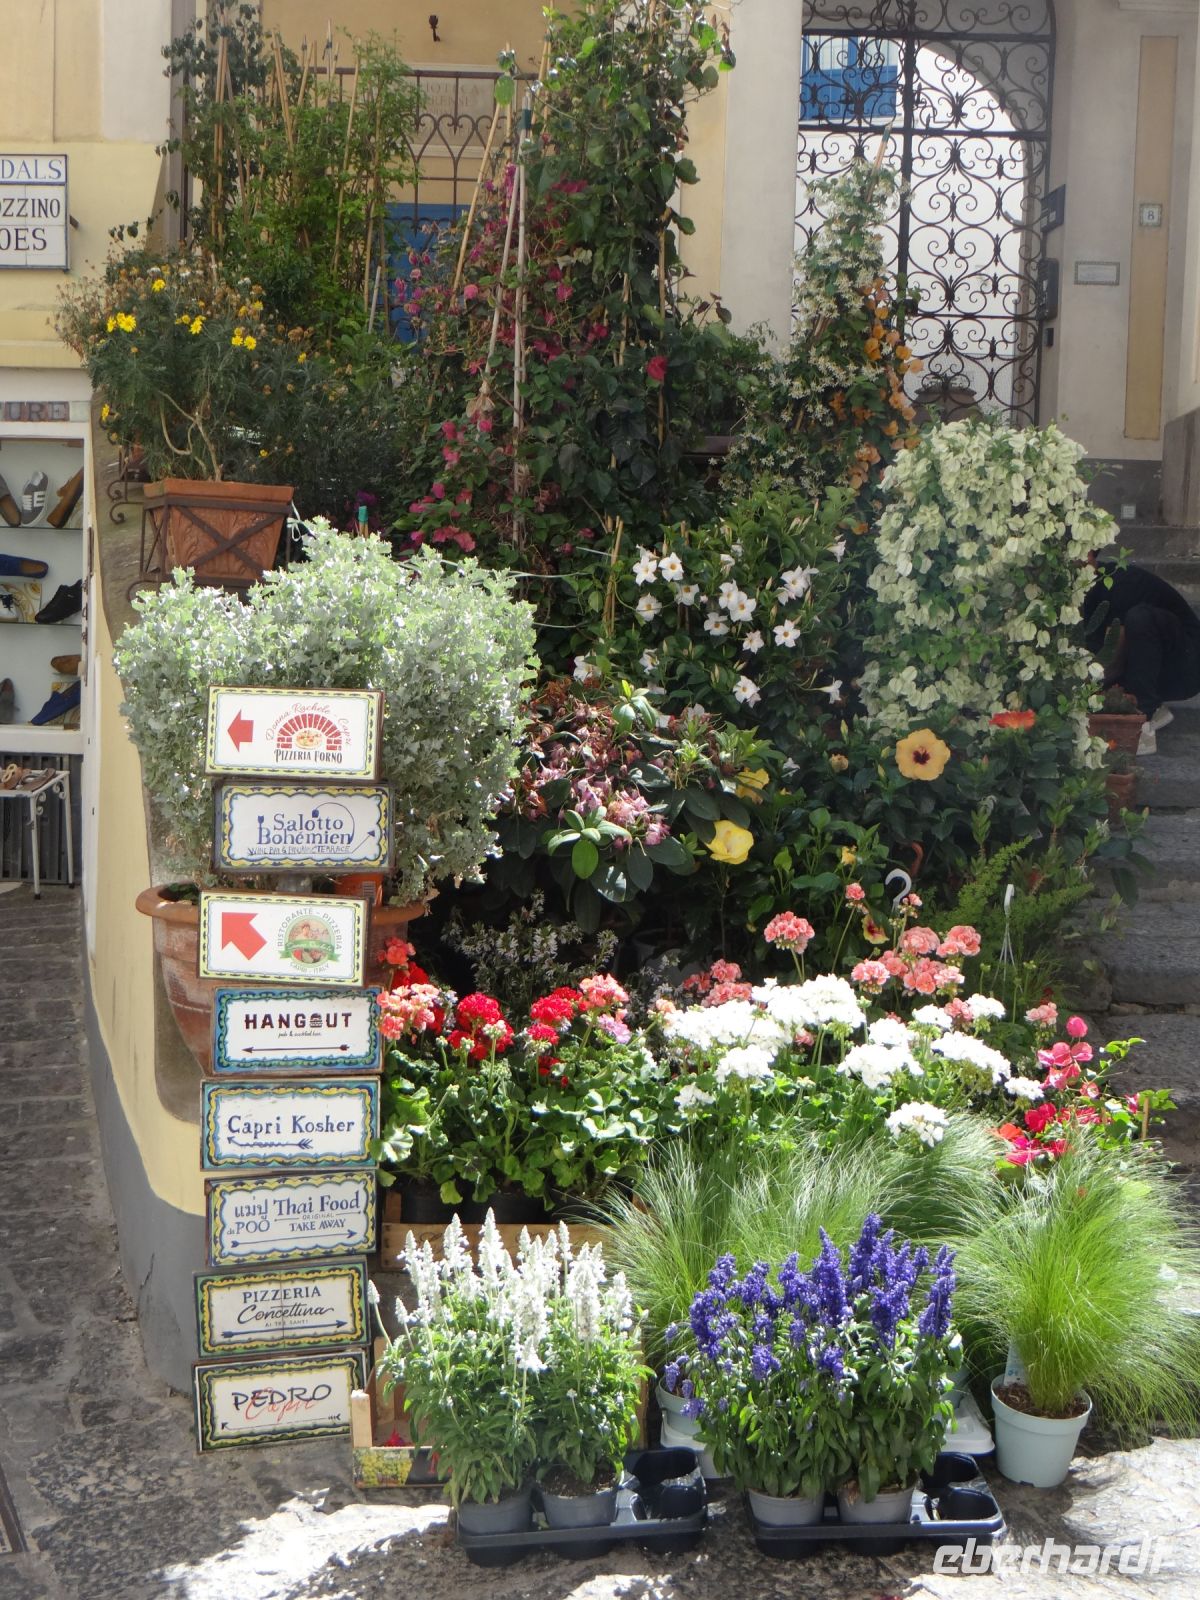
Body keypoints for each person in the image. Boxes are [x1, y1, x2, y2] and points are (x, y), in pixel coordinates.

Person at [1083, 557, 1200, 754]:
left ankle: (1143, 719)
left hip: (1186, 665)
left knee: (1139, 619)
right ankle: (1149, 703)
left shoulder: (1120, 584)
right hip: (1152, 662)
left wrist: (1081, 694)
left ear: (1089, 557)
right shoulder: (1075, 593)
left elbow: (1114, 657)